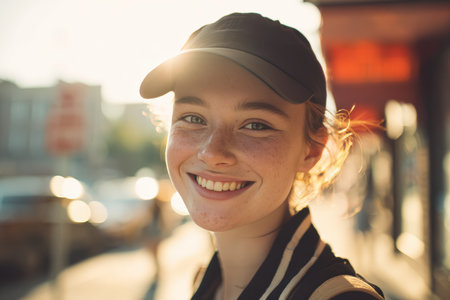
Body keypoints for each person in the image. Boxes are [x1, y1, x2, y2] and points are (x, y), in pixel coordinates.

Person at [139, 12, 384, 300]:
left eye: (256, 125)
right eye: (193, 118)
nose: (212, 152)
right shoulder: (206, 281)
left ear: (312, 150)